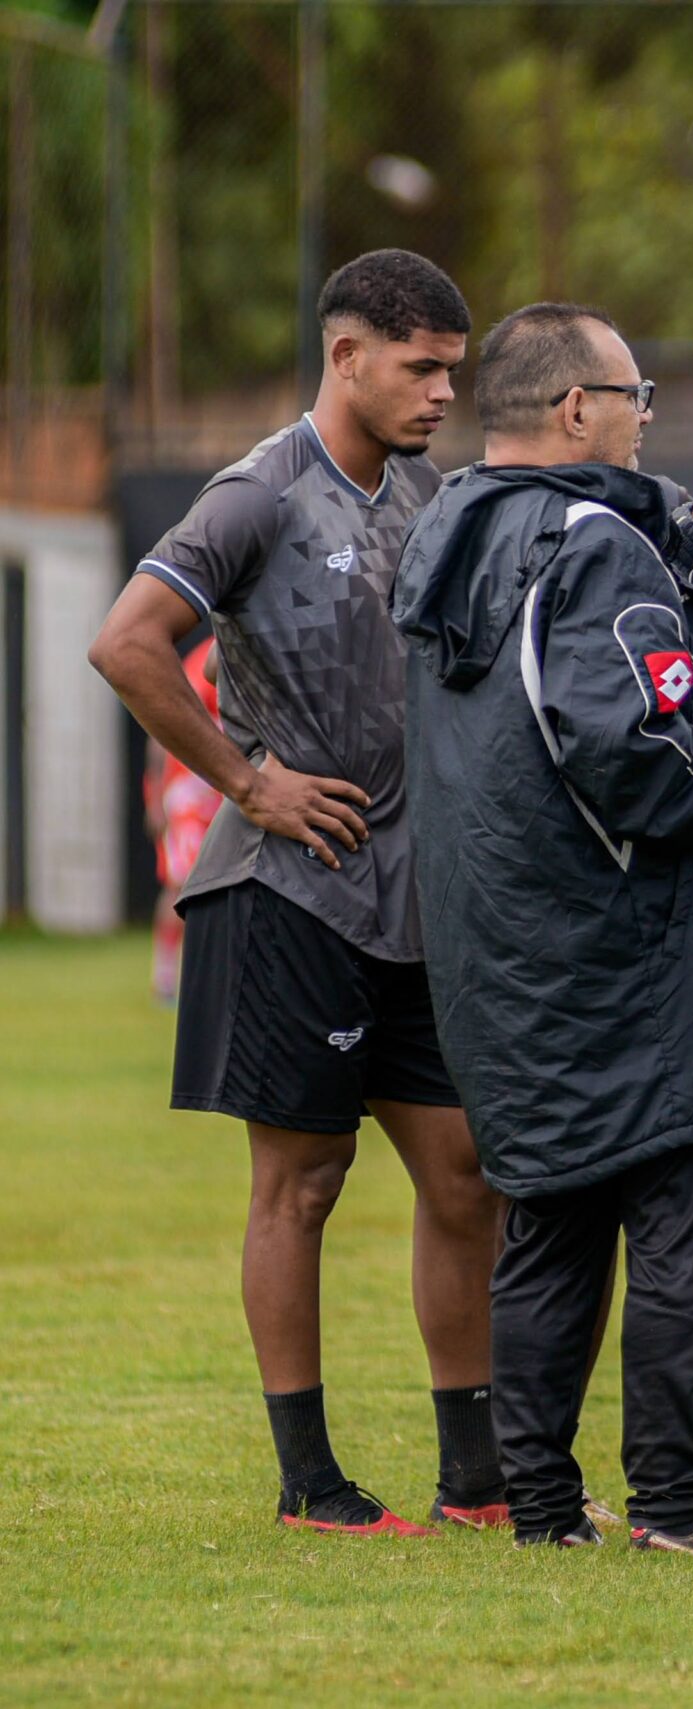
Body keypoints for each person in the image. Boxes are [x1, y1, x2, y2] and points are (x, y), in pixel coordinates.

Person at [393, 302, 693, 1555]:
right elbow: (632, 738)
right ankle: (671, 1507)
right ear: (577, 411)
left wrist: (692, 526)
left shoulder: (446, 530)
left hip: (507, 960)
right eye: (634, 392)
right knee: (677, 1235)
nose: (645, 411)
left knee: (544, 1227)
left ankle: (541, 1509)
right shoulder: (593, 545)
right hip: (641, 963)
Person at [87, 250, 503, 1539]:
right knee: (304, 1183)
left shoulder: (431, 497)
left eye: (455, 367)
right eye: (422, 365)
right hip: (291, 894)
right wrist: (249, 781)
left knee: (468, 1176)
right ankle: (309, 1480)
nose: (444, 390)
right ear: (347, 356)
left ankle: (474, 1476)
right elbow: (126, 641)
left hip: (414, 899)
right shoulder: (256, 495)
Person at [143, 638, 224, 1004]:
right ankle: (165, 977)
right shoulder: (208, 658)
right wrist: (156, 796)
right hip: (193, 790)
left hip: (228, 790)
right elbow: (164, 725)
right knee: (183, 884)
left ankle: (213, 975)